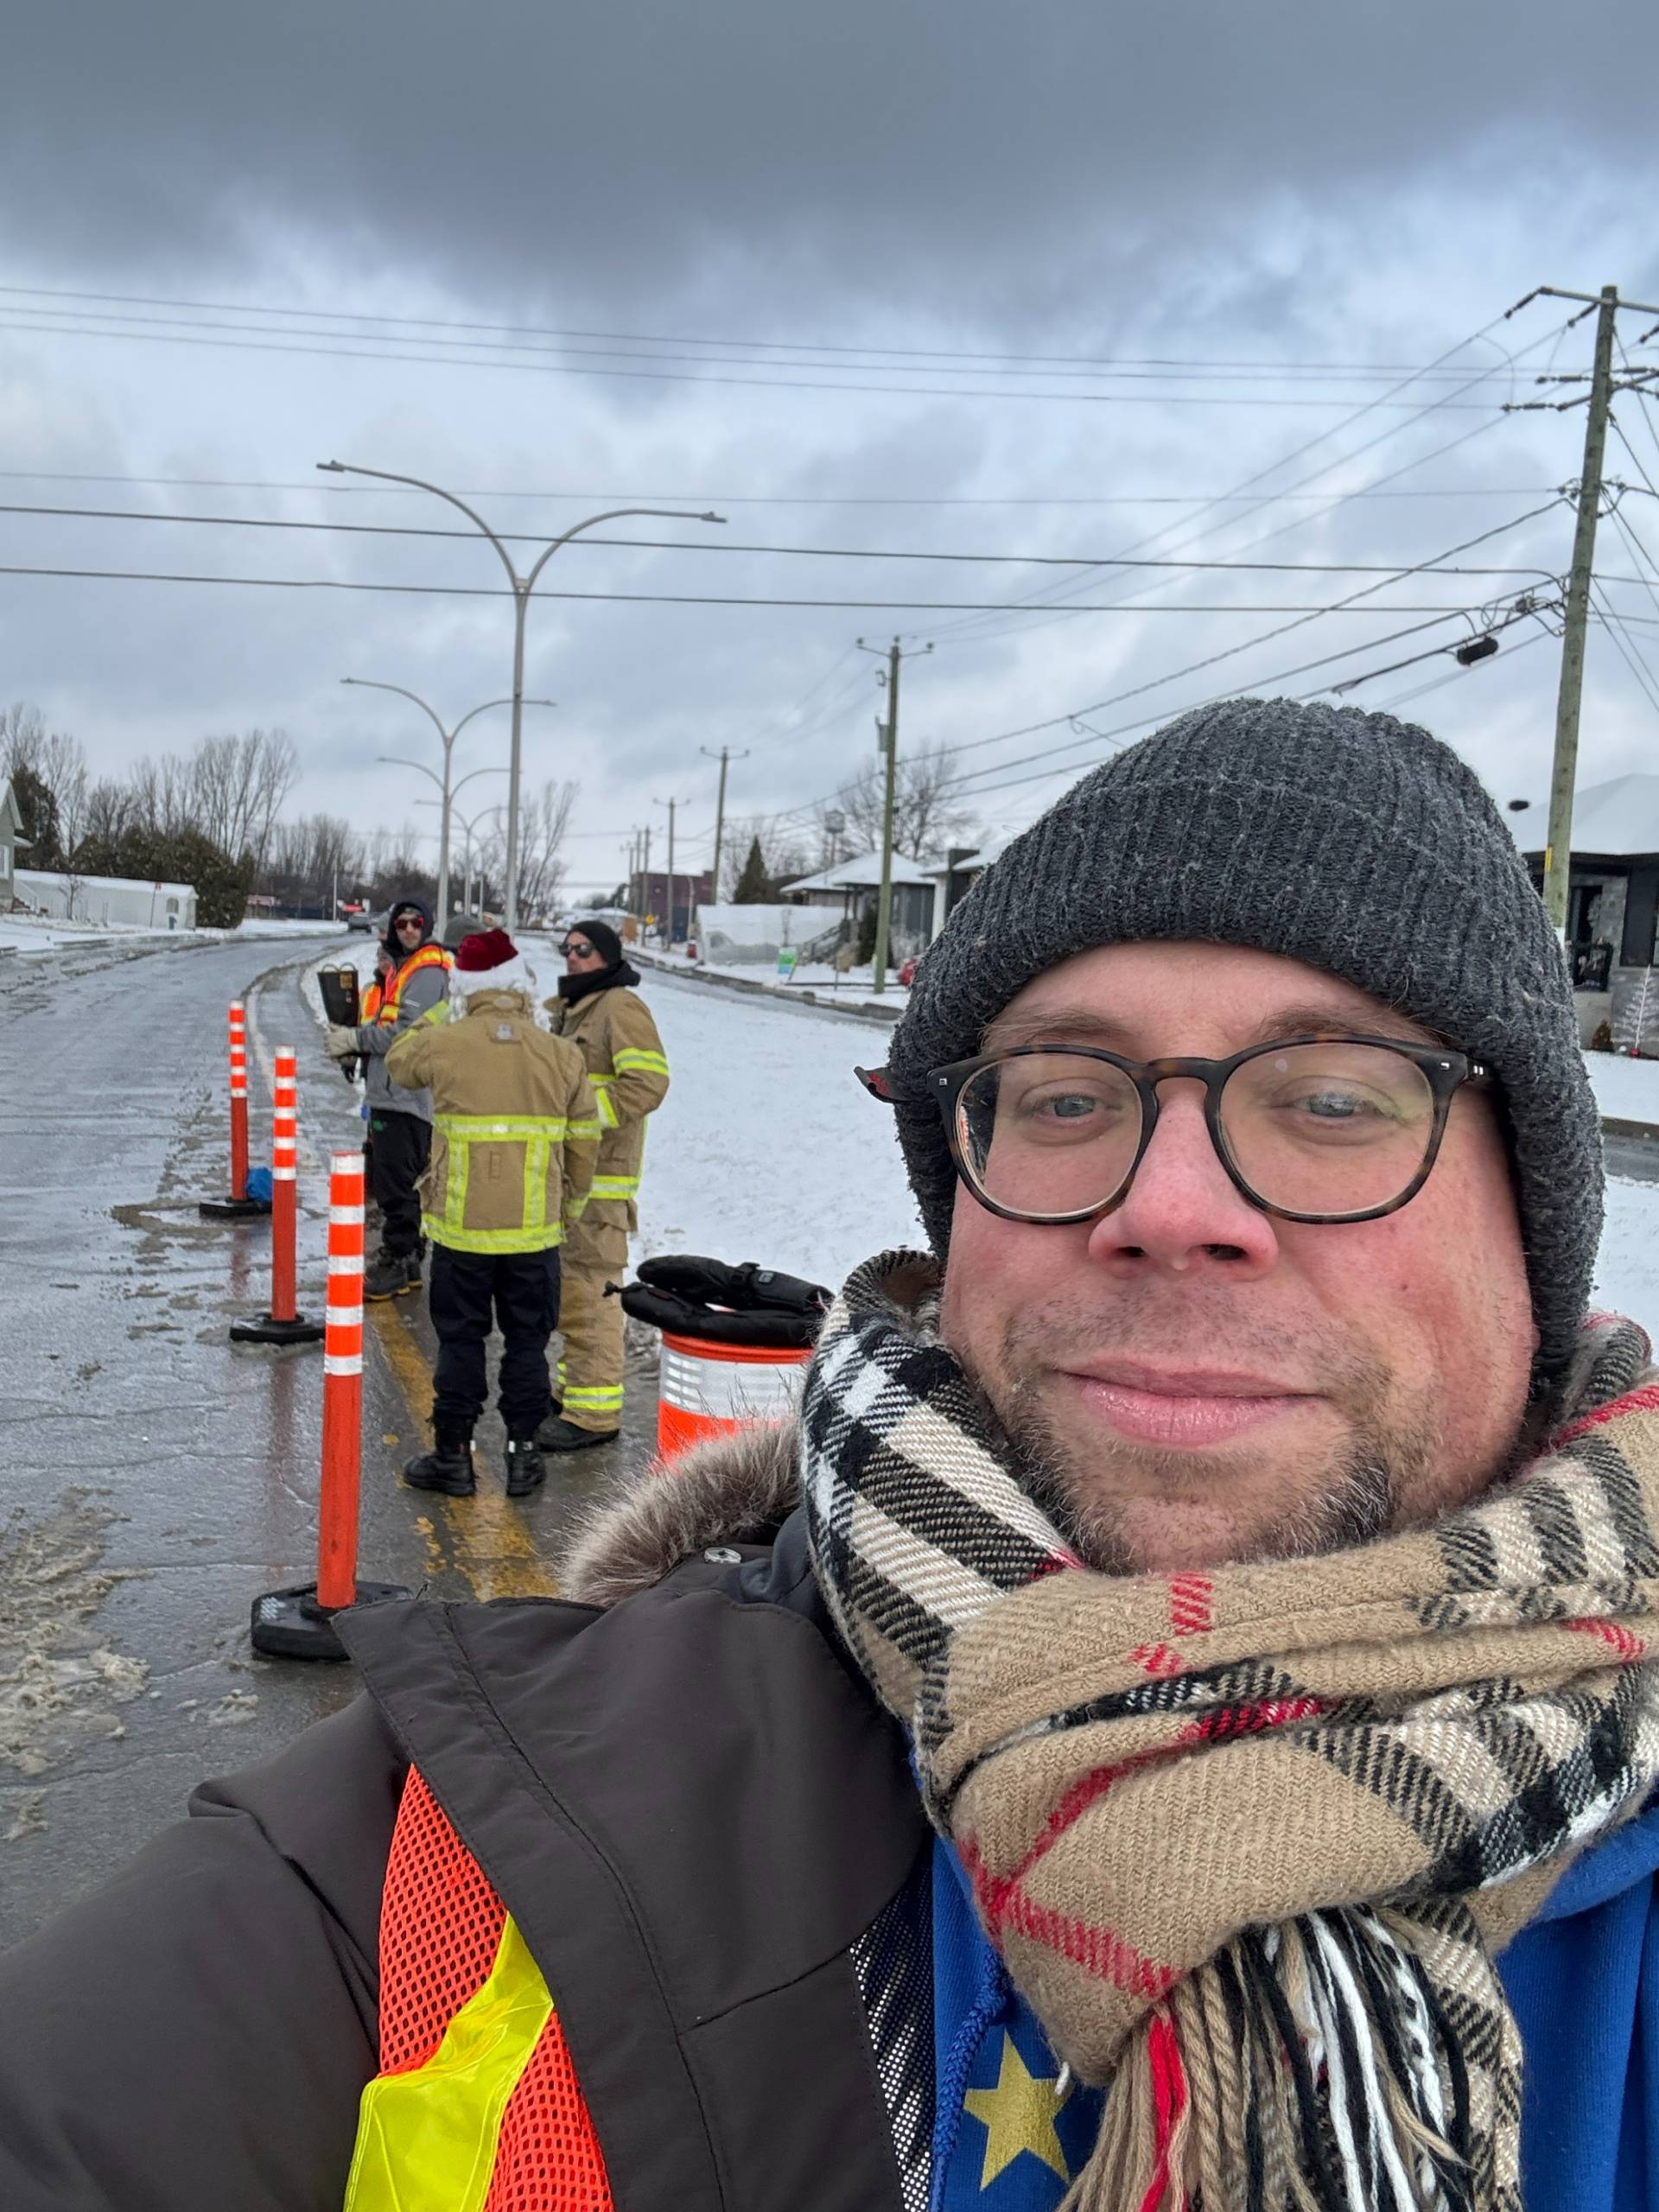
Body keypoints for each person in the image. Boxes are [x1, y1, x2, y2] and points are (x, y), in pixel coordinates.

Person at [3, 698, 1657, 2212]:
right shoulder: (477, 1840)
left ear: (1534, 1237)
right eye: (1064, 1094)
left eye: (1338, 1099)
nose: (1169, 1206)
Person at [383, 928, 600, 1500]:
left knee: (461, 1343)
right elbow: (585, 1142)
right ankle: (524, 1458)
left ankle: (453, 1457)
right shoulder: (561, 1053)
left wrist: (443, 1011)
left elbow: (398, 1062)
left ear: (468, 986)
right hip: (535, 1237)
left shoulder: (444, 1042)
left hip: (461, 1236)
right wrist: (569, 1207)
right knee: (528, 1345)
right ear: (519, 985)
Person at [537, 918, 670, 1451]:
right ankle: (573, 1393)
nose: (572, 956)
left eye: (585, 948)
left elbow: (648, 1083)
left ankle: (593, 1415)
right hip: (573, 1183)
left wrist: (583, 1117)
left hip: (603, 1184)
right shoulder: (575, 1011)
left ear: (608, 957)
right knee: (572, 1295)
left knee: (593, 1296)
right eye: (567, 947)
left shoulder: (620, 1006)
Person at [325, 894, 449, 1301]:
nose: (409, 929)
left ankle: (397, 1259)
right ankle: (408, 1260)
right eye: (401, 924)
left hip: (405, 1095)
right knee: (399, 1179)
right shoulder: (401, 971)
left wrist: (356, 1039)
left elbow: (407, 1034)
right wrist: (359, 1049)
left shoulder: (426, 972)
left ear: (427, 927)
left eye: (416, 923)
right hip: (393, 1092)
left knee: (397, 1184)